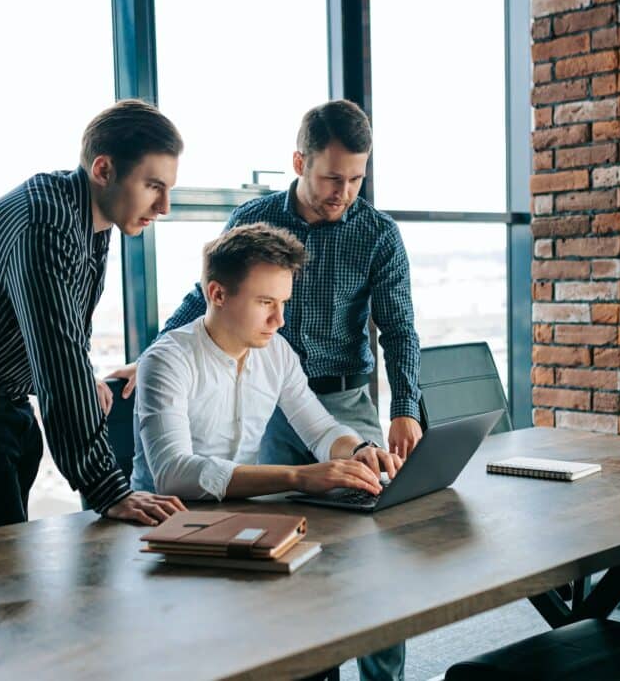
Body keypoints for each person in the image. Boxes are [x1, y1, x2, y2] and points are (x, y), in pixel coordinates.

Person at [115, 99, 421, 681]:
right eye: (333, 177)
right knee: (293, 557)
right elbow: (206, 292)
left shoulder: (375, 236)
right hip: (257, 419)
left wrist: (393, 416)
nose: (344, 191)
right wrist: (155, 353)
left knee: (373, 558)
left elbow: (399, 328)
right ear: (300, 161)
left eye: (356, 179)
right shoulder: (255, 224)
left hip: (337, 393)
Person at [0, 100, 187, 538]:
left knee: (2, 570)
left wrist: (85, 379)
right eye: (152, 186)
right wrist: (110, 489)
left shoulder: (91, 217)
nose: (164, 207)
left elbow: (64, 324)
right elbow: (58, 358)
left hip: (2, 404)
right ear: (104, 170)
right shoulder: (46, 221)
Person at [130, 223, 403, 501]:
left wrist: (358, 451)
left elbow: (321, 431)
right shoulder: (167, 360)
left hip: (238, 515)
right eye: (265, 302)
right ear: (217, 294)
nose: (279, 320)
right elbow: (173, 475)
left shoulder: (277, 352)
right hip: (158, 520)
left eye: (283, 302)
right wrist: (298, 477)